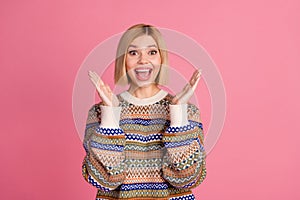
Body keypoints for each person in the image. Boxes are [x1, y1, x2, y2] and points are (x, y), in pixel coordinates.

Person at [82, 24, 206, 200]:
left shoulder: (188, 112)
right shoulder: (100, 113)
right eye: (133, 53)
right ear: (123, 60)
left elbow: (187, 179)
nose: (143, 60)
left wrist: (178, 115)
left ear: (161, 59)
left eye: (152, 52)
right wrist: (111, 116)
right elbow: (103, 180)